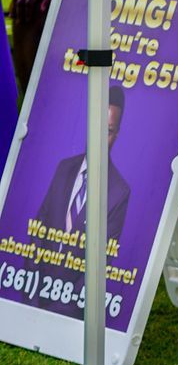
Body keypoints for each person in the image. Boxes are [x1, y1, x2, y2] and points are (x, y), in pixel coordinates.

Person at [34, 79, 132, 248]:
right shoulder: (64, 168)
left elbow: (104, 254)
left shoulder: (119, 192)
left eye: (108, 131)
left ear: (116, 135)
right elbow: (39, 227)